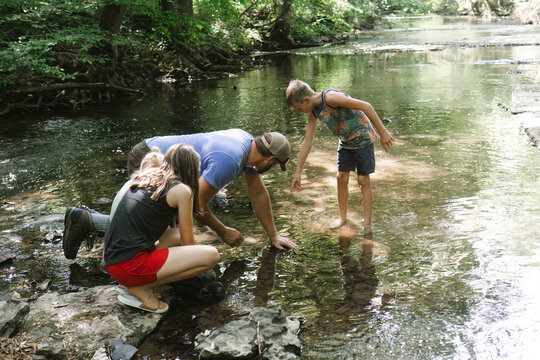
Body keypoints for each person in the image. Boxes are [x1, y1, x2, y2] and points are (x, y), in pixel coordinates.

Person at [63, 129, 297, 260]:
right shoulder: (231, 160)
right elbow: (197, 207)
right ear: (270, 159)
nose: (273, 169)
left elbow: (258, 196)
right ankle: (87, 221)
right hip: (149, 158)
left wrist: (273, 235)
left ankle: (94, 226)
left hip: (162, 158)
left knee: (165, 222)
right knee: (153, 221)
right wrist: (223, 232)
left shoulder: (247, 145)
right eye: (276, 166)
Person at [104, 143, 219, 313]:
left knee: (175, 234)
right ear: (193, 169)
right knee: (212, 256)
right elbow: (189, 244)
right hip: (130, 267)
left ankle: (133, 282)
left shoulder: (147, 178)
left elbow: (174, 233)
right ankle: (140, 287)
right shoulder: (182, 191)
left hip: (113, 262)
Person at [285, 79, 395, 234]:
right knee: (340, 177)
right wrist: (298, 173)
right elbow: (307, 141)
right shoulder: (314, 112)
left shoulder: (330, 97)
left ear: (306, 100)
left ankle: (367, 225)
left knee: (363, 180)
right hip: (345, 142)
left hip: (362, 138)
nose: (299, 111)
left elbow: (366, 106)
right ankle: (343, 219)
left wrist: (383, 132)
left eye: (298, 108)